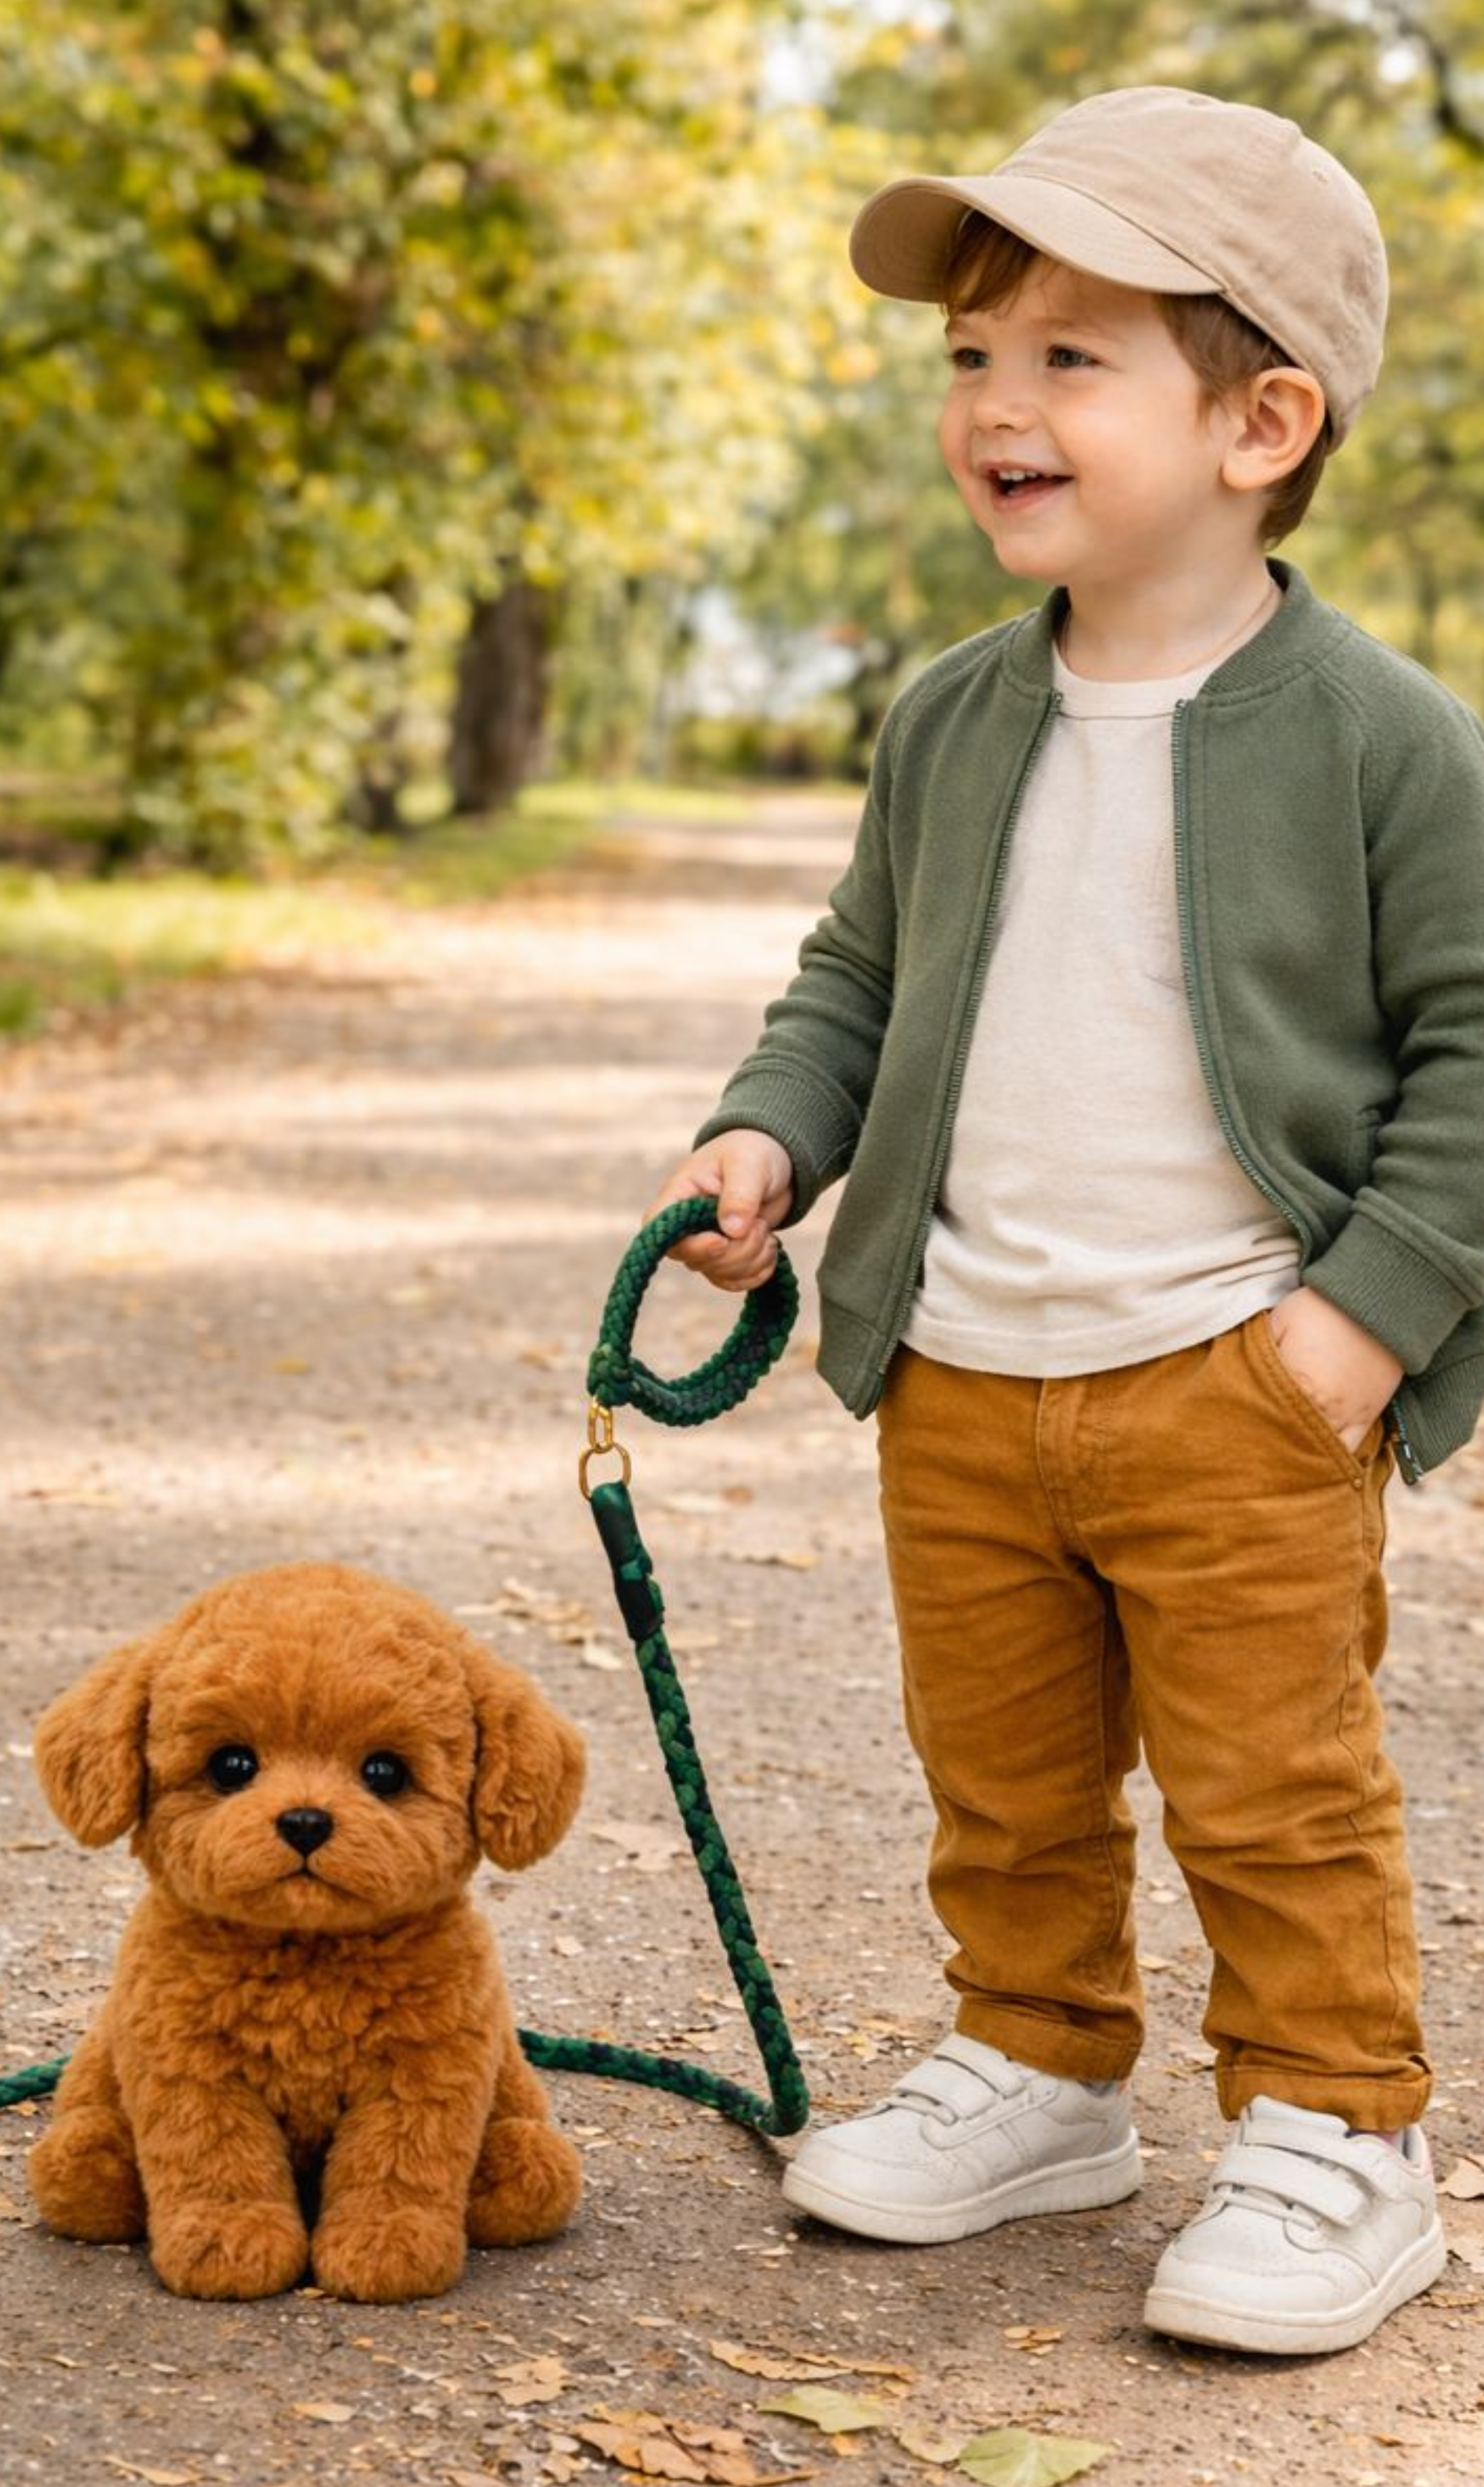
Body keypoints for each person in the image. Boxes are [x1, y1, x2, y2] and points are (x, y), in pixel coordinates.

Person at [642, 86, 1484, 2356]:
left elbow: (1480, 1052)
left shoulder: (1380, 740)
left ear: (1258, 418)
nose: (993, 402)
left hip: (1237, 1379)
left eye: (1065, 355)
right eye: (967, 356)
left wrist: (1356, 1329)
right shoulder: (949, 719)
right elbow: (855, 977)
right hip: (966, 1379)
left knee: (1270, 1790)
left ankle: (1338, 2131)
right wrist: (766, 1147)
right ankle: (1039, 2064)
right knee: (997, 1779)